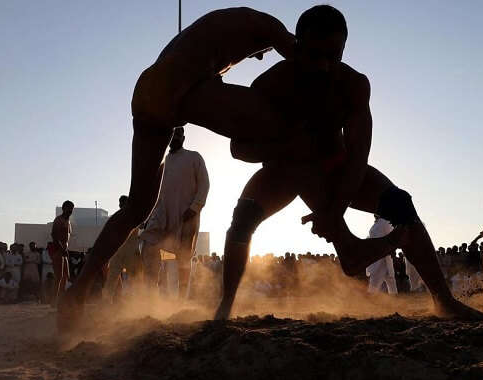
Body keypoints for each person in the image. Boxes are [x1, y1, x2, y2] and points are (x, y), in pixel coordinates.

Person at [214, 5, 483, 320]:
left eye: (334, 56)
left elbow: (358, 157)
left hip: (337, 165)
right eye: (315, 55)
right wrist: (286, 143)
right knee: (243, 218)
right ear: (296, 47)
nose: (324, 66)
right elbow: (239, 149)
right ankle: (225, 305)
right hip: (282, 171)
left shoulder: (354, 85)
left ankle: (444, 301)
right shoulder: (269, 86)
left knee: (401, 204)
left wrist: (334, 212)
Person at [59, 7, 301, 326]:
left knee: (137, 208)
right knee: (275, 122)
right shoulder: (265, 26)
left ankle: (78, 290)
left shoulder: (216, 35)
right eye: (265, 52)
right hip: (173, 92)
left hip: (150, 93)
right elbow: (305, 64)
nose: (260, 58)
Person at [140, 126, 210, 297]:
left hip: (186, 216)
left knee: (183, 258)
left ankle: (181, 300)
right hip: (161, 216)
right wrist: (148, 216)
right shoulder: (162, 164)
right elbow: (154, 193)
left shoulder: (194, 157)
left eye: (179, 134)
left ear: (183, 138)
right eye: (172, 134)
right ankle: (151, 295)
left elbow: (204, 184)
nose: (175, 137)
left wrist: (195, 208)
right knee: (149, 246)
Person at [103, 195, 142, 302]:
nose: (121, 205)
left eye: (122, 203)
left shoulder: (134, 217)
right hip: (120, 252)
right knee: (112, 278)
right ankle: (107, 301)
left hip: (129, 251)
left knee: (134, 279)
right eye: (120, 203)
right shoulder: (120, 217)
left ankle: (136, 302)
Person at [365, 216, 397, 294]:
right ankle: (394, 298)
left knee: (387, 279)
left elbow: (391, 236)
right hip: (377, 256)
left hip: (383, 255)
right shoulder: (376, 224)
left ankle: (395, 300)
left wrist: (392, 250)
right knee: (384, 280)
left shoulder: (385, 222)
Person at [50, 201, 73, 306]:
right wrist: (61, 249)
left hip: (64, 251)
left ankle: (60, 299)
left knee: (65, 276)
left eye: (72, 208)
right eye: (68, 208)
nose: (70, 210)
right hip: (58, 251)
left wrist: (66, 249)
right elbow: (54, 235)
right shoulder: (59, 220)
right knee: (59, 276)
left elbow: (66, 238)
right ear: (63, 208)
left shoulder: (68, 221)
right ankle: (54, 300)